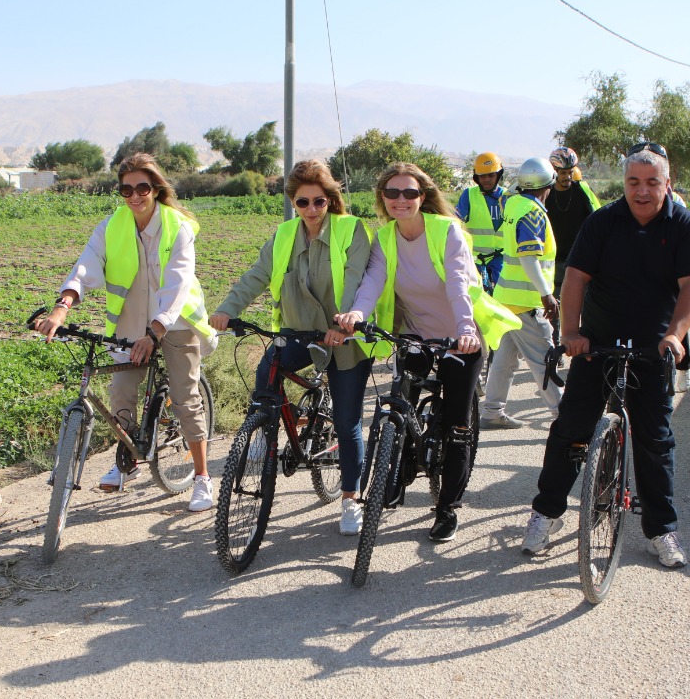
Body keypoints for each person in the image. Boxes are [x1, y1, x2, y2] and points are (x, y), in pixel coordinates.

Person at [520, 149, 690, 568]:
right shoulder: (602, 221)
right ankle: (546, 514)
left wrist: (675, 337)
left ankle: (662, 529)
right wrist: (571, 334)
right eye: (633, 183)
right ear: (623, 184)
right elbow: (575, 279)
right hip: (598, 343)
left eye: (651, 183)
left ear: (667, 183)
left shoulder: (685, 226)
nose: (642, 191)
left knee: (655, 441)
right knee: (570, 429)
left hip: (653, 348)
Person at [335, 162, 519, 542]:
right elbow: (373, 281)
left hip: (459, 336)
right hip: (416, 334)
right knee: (400, 405)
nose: (400, 200)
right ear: (382, 199)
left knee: (455, 426)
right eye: (392, 193)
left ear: (423, 197)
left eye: (409, 193)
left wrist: (466, 330)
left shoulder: (446, 230)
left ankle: (447, 507)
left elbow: (457, 284)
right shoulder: (385, 237)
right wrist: (357, 312)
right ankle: (398, 472)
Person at [35, 153, 217, 512]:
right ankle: (128, 460)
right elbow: (85, 267)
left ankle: (201, 477)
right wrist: (61, 308)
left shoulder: (176, 227)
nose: (135, 196)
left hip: (176, 320)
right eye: (126, 189)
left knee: (184, 398)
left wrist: (156, 331)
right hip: (132, 322)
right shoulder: (112, 227)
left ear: (156, 188)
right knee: (120, 391)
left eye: (143, 188)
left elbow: (178, 284)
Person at [209, 159, 373, 535]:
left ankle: (350, 500)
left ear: (330, 200)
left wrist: (343, 323)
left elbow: (353, 282)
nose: (312, 210)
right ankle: (265, 432)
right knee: (265, 371)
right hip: (300, 333)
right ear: (293, 203)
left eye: (319, 201)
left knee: (347, 424)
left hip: (343, 338)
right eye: (303, 202)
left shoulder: (352, 231)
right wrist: (226, 310)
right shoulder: (284, 235)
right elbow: (256, 275)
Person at [479, 158, 563, 430]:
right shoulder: (533, 212)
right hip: (526, 302)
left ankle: (492, 411)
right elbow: (529, 259)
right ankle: (564, 417)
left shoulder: (514, 203)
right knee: (544, 363)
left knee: (503, 362)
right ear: (548, 185)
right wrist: (547, 294)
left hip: (505, 298)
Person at [627, 140, 690, 392]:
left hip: (670, 273)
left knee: (677, 325)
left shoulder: (675, 200)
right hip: (637, 272)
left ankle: (683, 369)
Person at [545, 147, 601, 295]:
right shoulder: (546, 193)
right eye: (563, 173)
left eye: (570, 172)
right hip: (554, 260)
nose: (568, 177)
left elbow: (597, 219)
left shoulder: (581, 190)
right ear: (554, 172)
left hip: (579, 259)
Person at [455, 152, 506, 292]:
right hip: (477, 261)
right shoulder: (469, 195)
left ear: (498, 175)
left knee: (503, 299)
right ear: (476, 177)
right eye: (482, 176)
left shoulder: (509, 197)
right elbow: (455, 223)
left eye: (491, 175)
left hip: (501, 260)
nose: (487, 179)